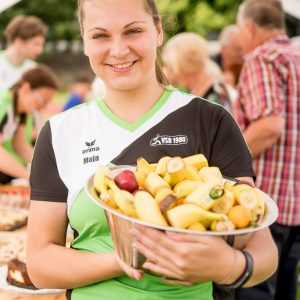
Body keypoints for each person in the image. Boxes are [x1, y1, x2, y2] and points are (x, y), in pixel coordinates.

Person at [27, 1, 278, 300]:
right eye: (100, 35)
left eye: (133, 31)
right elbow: (40, 262)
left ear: (158, 31)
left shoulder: (210, 120)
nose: (118, 50)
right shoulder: (60, 132)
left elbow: (261, 248)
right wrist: (124, 260)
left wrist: (229, 266)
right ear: (84, 41)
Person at [233, 1, 300, 300]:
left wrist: (229, 160)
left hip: (268, 204)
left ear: (249, 27)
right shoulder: (296, 57)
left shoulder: (263, 57)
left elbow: (269, 127)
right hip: (296, 208)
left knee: (254, 293)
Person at [0, 65, 58, 184]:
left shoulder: (23, 110)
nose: (43, 107)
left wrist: (51, 167)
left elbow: (20, 146)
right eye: (42, 100)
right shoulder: (3, 103)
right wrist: (29, 175)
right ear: (26, 88)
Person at [162, 32, 234, 111]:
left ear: (187, 67)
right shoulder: (197, 92)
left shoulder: (214, 100)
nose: (167, 73)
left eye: (171, 68)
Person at [0, 15, 48, 91]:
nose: (40, 50)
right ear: (18, 41)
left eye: (42, 45)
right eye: (36, 44)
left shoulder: (33, 68)